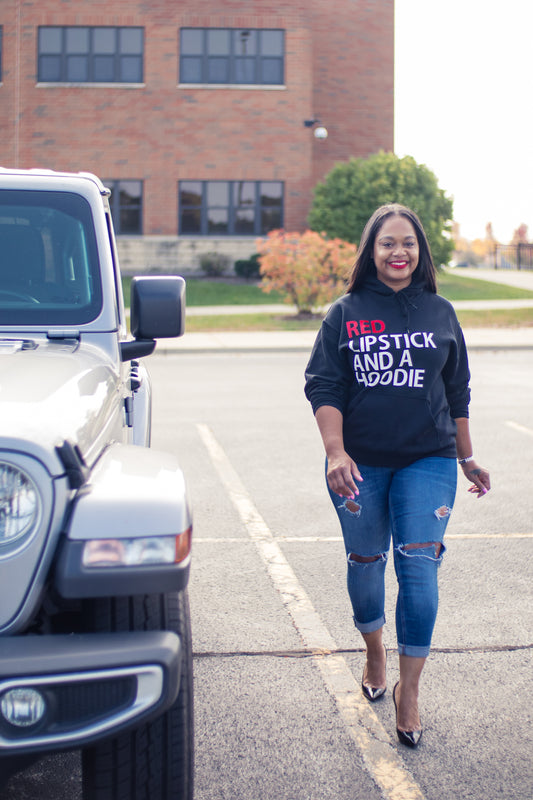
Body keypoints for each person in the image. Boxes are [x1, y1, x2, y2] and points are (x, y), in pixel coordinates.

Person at [304, 204, 490, 748]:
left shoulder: (440, 311)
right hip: (358, 462)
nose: (398, 252)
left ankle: (410, 691)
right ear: (372, 251)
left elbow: (457, 392)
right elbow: (324, 386)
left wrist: (467, 456)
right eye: (387, 243)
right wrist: (337, 453)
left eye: (407, 243)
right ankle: (374, 651)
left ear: (421, 251)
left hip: (428, 458)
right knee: (366, 562)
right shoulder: (345, 313)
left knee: (419, 565)